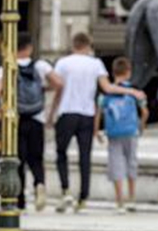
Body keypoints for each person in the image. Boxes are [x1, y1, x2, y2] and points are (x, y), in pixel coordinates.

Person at [47, 32, 148, 213]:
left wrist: (51, 114)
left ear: (73, 44)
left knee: (61, 152)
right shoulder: (96, 64)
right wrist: (132, 92)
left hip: (67, 112)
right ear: (88, 45)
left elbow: (58, 89)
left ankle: (66, 190)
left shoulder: (63, 63)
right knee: (85, 156)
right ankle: (83, 197)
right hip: (86, 113)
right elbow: (107, 87)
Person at [0, 34, 64, 211]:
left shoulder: (7, 66)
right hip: (36, 117)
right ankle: (39, 184)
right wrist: (44, 89)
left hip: (15, 119)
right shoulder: (40, 65)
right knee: (36, 158)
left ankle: (20, 199)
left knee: (18, 160)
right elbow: (59, 83)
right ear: (29, 47)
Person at [95, 57, 149, 214]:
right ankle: (132, 198)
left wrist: (96, 131)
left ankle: (120, 201)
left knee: (116, 164)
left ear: (113, 73)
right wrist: (141, 126)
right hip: (131, 131)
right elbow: (145, 112)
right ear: (129, 72)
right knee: (131, 162)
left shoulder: (106, 92)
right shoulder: (134, 91)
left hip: (113, 133)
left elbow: (98, 113)